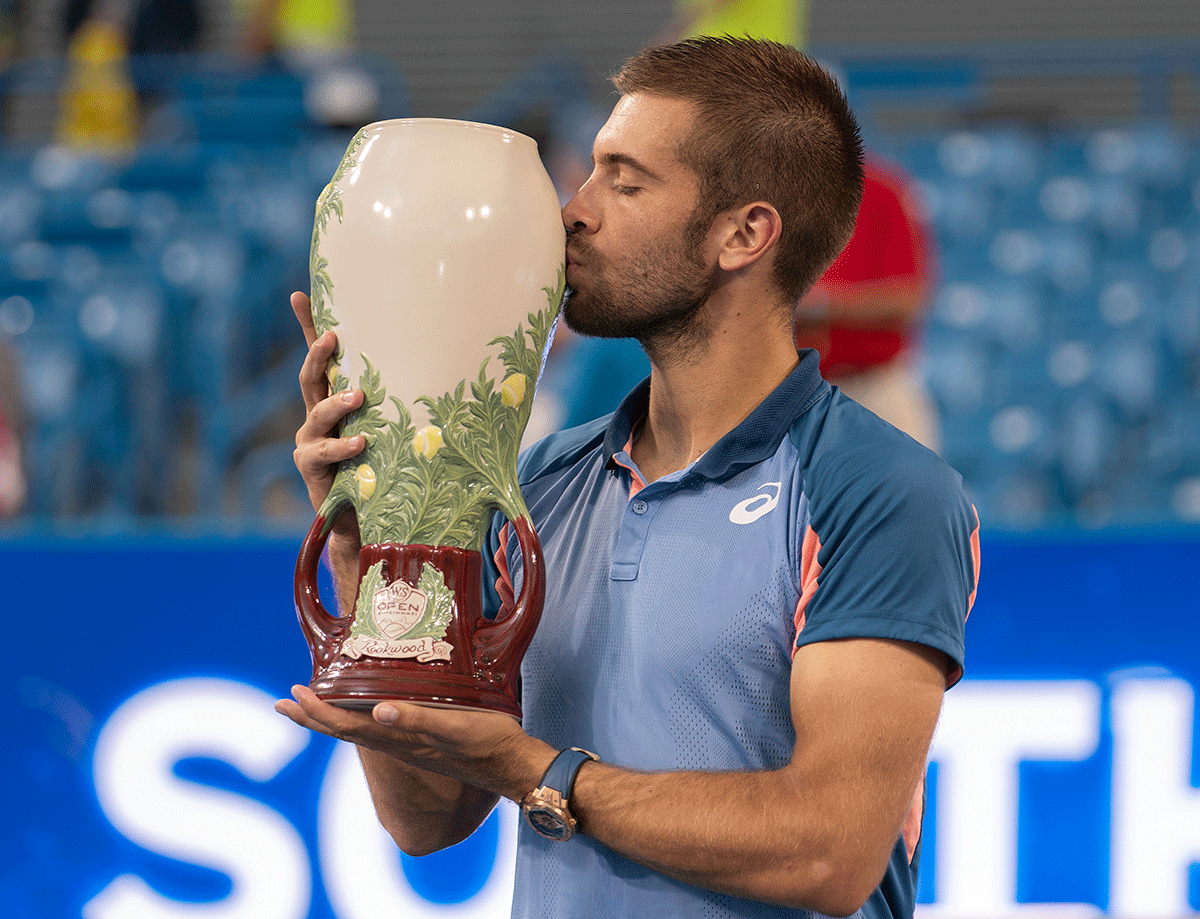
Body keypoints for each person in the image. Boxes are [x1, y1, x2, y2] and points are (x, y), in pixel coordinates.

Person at [279, 36, 981, 919]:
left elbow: (829, 852)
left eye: (625, 179)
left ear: (743, 234)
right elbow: (428, 818)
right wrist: (367, 540)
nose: (574, 210)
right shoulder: (541, 477)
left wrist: (534, 771)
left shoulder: (880, 491)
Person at [794, 154, 943, 451]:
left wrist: (820, 305)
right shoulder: (760, 191)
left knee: (911, 491)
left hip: (874, 385)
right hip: (790, 393)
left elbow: (907, 300)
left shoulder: (878, 189)